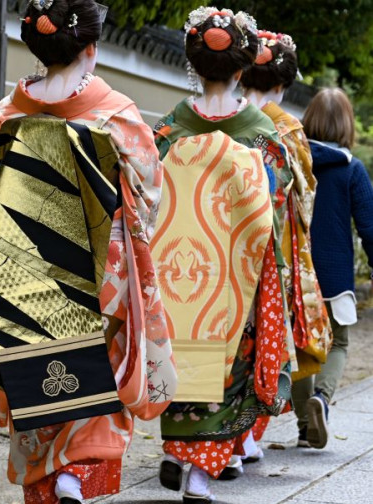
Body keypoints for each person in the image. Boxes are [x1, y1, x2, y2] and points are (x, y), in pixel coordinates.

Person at [0, 1, 176, 503]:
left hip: (22, 269)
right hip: (98, 269)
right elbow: (149, 190)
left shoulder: (6, 114)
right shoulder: (116, 114)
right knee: (98, 374)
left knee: (32, 370)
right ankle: (75, 475)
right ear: (92, 47)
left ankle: (48, 475)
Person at [152, 7, 292, 502]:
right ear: (242, 69)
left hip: (177, 274)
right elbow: (276, 201)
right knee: (229, 366)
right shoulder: (262, 135)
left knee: (181, 354)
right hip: (237, 276)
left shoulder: (170, 128)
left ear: (194, 64)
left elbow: (148, 194)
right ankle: (199, 472)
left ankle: (175, 453)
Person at [241, 30, 332, 448]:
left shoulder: (223, 113)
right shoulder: (287, 128)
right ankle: (246, 437)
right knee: (266, 334)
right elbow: (304, 195)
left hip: (222, 239)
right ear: (283, 83)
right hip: (274, 245)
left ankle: (215, 435)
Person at [292, 87, 373, 449]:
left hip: (295, 272)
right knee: (338, 342)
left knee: (298, 347)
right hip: (336, 275)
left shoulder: (292, 161)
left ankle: (302, 425)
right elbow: (369, 225)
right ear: (347, 125)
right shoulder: (351, 169)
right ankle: (321, 400)